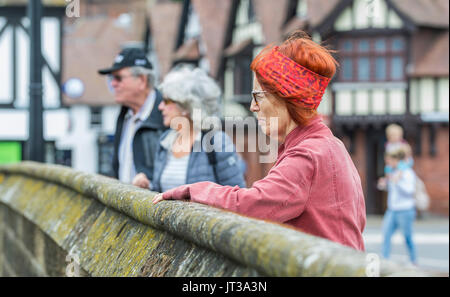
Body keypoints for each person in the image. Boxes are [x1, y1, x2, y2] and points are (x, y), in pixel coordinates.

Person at [153, 31, 366, 251]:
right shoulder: (330, 145)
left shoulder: (307, 154)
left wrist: (192, 191)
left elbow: (250, 206)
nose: (253, 106)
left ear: (285, 96)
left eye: (258, 96)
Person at [132, 65, 246, 191]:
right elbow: (161, 191)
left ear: (186, 106)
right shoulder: (165, 141)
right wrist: (148, 185)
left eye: (167, 101)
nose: (160, 107)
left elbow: (237, 195)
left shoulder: (216, 142)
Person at [98, 48, 166, 185]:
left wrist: (150, 185)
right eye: (111, 78)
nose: (112, 84)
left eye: (118, 78)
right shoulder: (124, 115)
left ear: (141, 80)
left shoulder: (167, 115)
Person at [377, 148, 417, 265]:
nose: (387, 163)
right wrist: (384, 185)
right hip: (392, 209)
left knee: (407, 237)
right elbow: (391, 189)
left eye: (389, 160)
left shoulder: (407, 173)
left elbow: (409, 191)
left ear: (396, 160)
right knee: (386, 234)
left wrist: (397, 182)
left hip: (405, 209)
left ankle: (413, 261)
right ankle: (384, 260)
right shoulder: (393, 172)